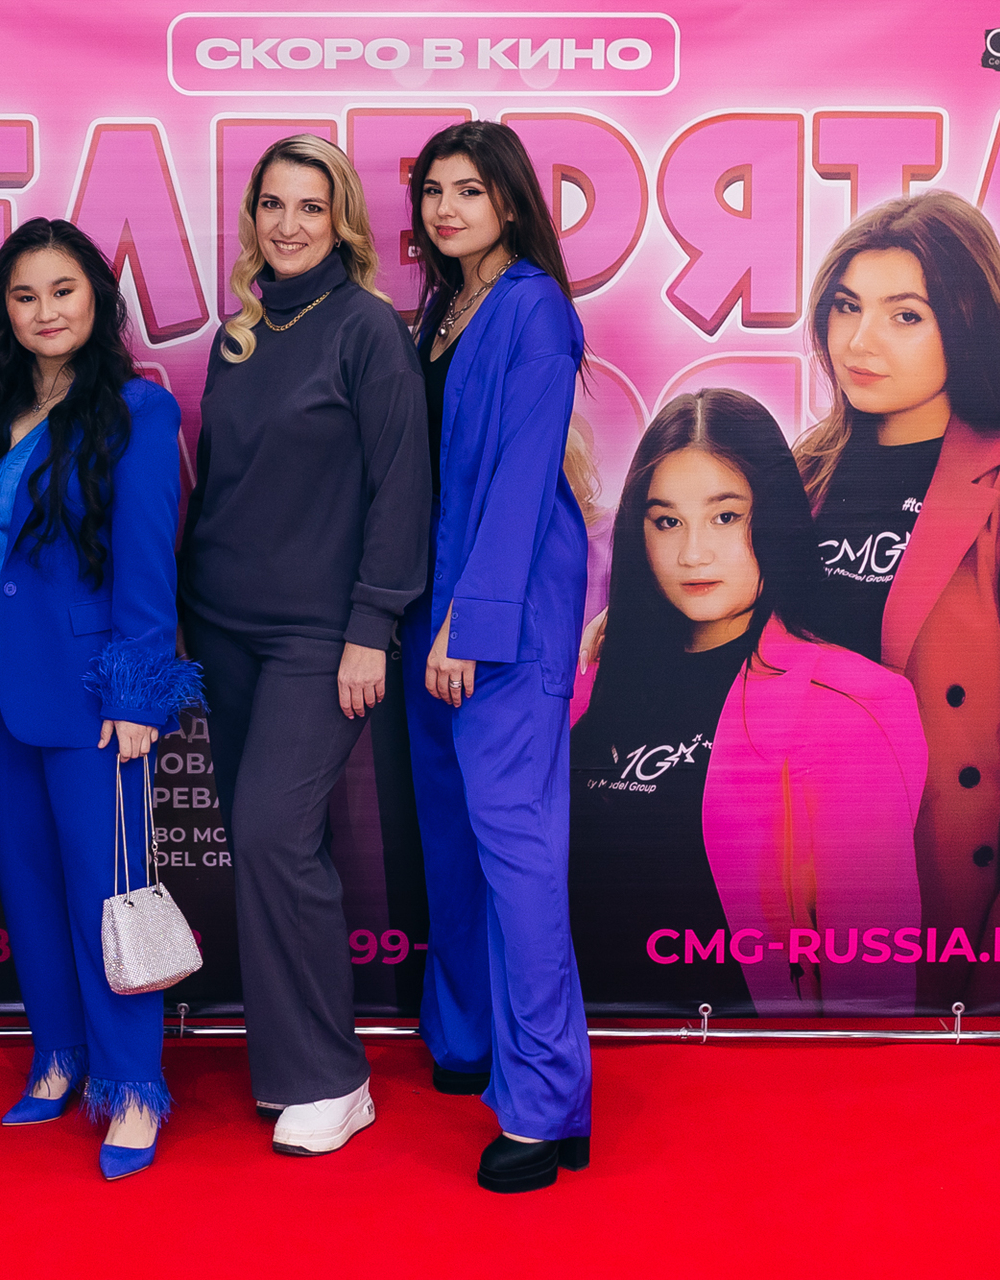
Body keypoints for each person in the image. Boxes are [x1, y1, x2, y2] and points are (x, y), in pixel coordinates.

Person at [797, 192, 1000, 1012]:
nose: (859, 341)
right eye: (846, 307)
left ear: (967, 322)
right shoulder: (803, 472)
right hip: (822, 894)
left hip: (965, 900)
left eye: (905, 315)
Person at [179, 134, 430, 1156]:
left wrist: (373, 626)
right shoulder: (237, 336)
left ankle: (335, 1077)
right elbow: (221, 487)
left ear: (342, 223)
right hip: (223, 628)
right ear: (253, 218)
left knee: (274, 834)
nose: (289, 224)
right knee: (270, 845)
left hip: (318, 638)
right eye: (273, 205)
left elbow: (402, 488)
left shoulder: (368, 329)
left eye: (311, 207)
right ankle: (290, 1065)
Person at [0, 218, 195, 1181]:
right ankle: (58, 1054)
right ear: (2, 310)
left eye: (63, 291)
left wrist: (138, 698)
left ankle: (133, 1086)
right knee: (31, 890)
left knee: (106, 895)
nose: (46, 311)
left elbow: (147, 569)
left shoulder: (138, 412)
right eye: (24, 295)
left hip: (94, 699)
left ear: (97, 299)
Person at [569, 389, 925, 1023]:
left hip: (742, 1063)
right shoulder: (588, 684)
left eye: (726, 516)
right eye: (667, 521)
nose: (693, 553)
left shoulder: (848, 707)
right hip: (580, 1057)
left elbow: (872, 982)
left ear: (776, 517)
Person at [399, 120, 591, 1194]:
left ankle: (546, 1101)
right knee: (453, 839)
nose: (447, 208)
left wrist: (471, 625)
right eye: (434, 190)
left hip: (502, 615)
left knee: (515, 850)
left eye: (469, 190)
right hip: (434, 603)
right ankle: (468, 1034)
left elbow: (521, 477)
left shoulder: (534, 306)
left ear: (510, 202)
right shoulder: (443, 307)